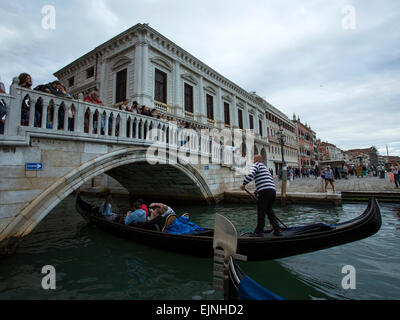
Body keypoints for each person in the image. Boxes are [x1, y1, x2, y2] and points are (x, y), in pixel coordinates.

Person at [240, 154, 282, 236]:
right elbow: (265, 181)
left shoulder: (256, 165)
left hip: (265, 192)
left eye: (253, 159)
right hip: (272, 191)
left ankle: (259, 231)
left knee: (261, 211)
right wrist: (256, 192)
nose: (253, 160)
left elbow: (251, 175)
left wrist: (244, 184)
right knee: (269, 211)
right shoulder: (265, 168)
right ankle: (277, 230)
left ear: (256, 159)